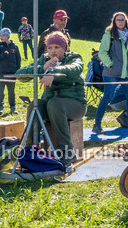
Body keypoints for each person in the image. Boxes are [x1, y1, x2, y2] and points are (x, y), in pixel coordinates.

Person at [15, 31, 86, 167]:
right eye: (50, 48)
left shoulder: (74, 58)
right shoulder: (43, 60)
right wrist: (42, 68)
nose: (53, 51)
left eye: (57, 47)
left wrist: (54, 72)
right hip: (51, 105)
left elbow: (76, 68)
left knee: (54, 103)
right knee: (35, 105)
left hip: (76, 105)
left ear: (64, 48)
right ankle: (31, 150)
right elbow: (19, 75)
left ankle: (66, 153)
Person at [93, 12, 128, 134]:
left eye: (123, 20)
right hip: (111, 72)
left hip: (127, 73)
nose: (120, 22)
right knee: (107, 97)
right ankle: (97, 125)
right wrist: (110, 64)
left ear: (126, 21)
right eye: (118, 20)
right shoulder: (109, 35)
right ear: (114, 21)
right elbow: (102, 52)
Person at [0, 28, 22, 114]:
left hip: (12, 72)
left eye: (3, 35)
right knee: (0, 90)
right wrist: (3, 55)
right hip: (1, 72)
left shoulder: (14, 46)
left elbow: (18, 59)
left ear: (8, 36)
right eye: (0, 35)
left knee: (11, 91)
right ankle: (0, 107)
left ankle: (12, 107)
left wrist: (17, 71)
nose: (1, 37)